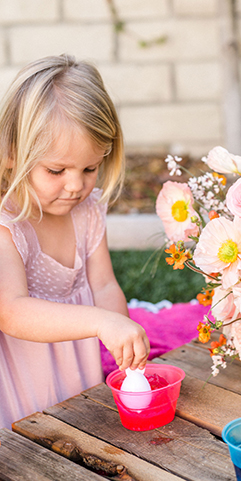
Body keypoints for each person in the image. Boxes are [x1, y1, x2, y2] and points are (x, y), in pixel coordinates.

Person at [0, 54, 150, 429]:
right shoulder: (9, 225)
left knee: (79, 437)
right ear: (12, 156)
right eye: (56, 170)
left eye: (89, 168)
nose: (75, 185)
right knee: (32, 457)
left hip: (75, 373)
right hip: (22, 383)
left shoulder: (87, 212)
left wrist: (123, 336)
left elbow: (103, 284)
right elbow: (11, 312)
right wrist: (100, 323)